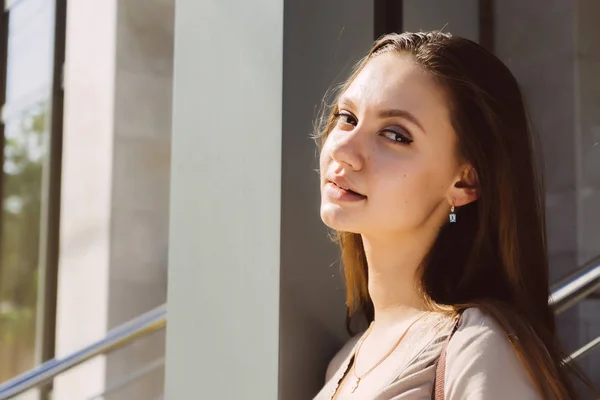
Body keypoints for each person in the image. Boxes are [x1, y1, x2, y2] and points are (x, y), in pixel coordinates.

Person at [312, 31, 595, 400]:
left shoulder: (477, 348)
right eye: (347, 117)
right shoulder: (344, 361)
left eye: (395, 135)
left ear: (464, 182)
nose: (345, 150)